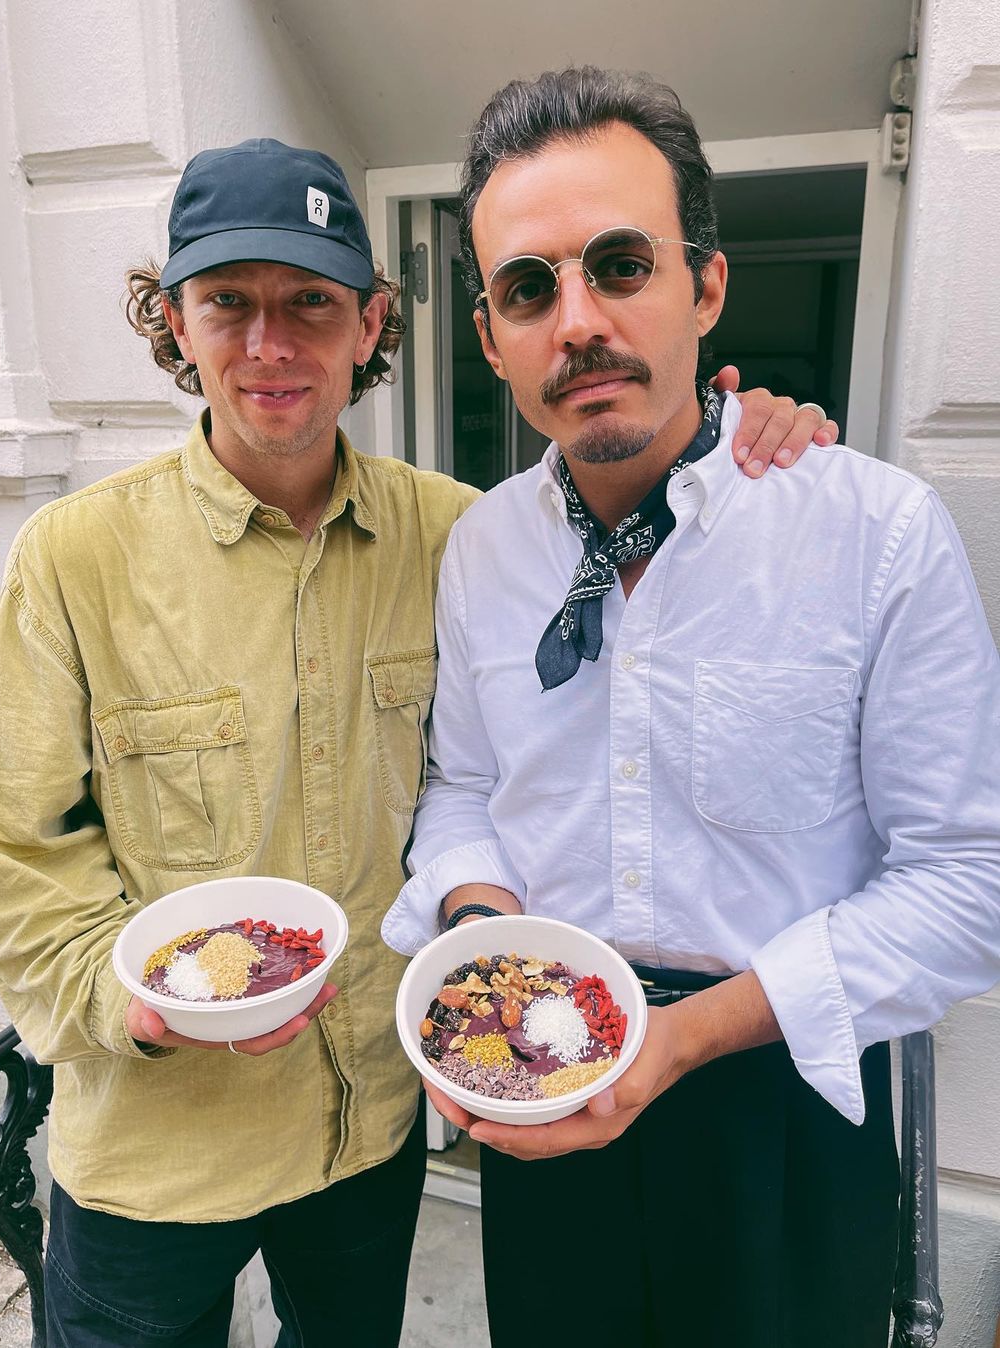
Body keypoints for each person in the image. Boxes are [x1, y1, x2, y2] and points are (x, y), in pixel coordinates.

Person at [0, 134, 833, 1348]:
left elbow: (612, 626)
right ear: (175, 323)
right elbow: (11, 845)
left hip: (365, 1129)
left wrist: (747, 440)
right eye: (228, 302)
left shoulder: (463, 539)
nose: (270, 344)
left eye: (311, 302)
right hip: (157, 1145)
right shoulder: (75, 558)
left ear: (370, 323)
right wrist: (128, 1003)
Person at [382, 67, 1000, 1348]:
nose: (578, 322)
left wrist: (679, 1038)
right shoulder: (483, 549)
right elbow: (463, 788)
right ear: (490, 338)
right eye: (528, 289)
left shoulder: (873, 532)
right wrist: (484, 937)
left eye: (622, 265)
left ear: (706, 286)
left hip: (786, 1091)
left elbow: (969, 881)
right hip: (543, 1068)